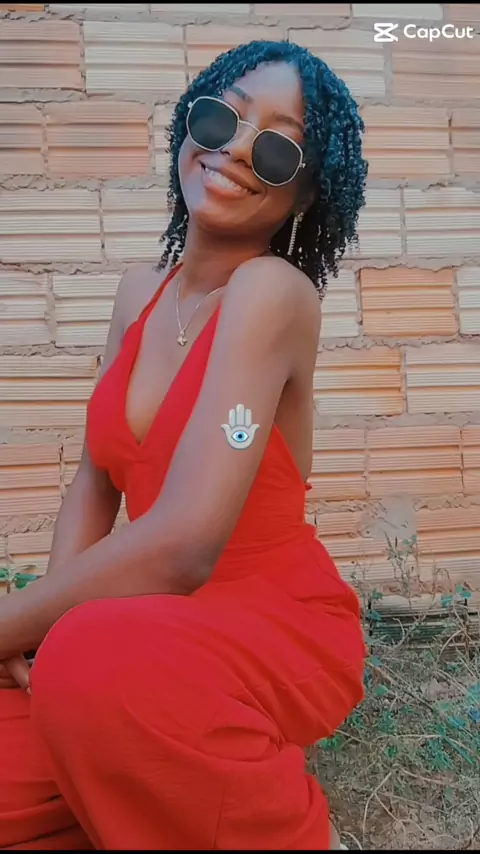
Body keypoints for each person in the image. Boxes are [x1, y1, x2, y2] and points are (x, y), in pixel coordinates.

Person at [0, 39, 367, 850]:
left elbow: (186, 544)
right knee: (55, 688)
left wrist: (15, 623)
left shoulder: (272, 292)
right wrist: (38, 633)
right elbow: (95, 482)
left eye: (277, 149)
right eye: (221, 119)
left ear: (305, 191)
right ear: (187, 127)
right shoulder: (139, 291)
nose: (235, 150)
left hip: (273, 616)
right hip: (144, 617)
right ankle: (149, 780)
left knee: (95, 658)